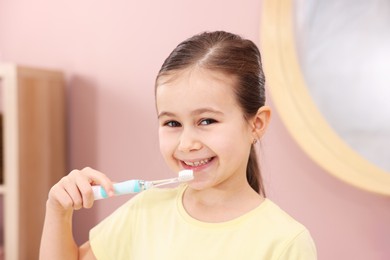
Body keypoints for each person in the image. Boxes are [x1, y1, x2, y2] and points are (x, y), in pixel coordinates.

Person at [39, 31, 317, 259]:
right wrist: (58, 211)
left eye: (207, 121)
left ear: (256, 124)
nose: (187, 143)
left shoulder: (285, 243)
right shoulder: (145, 211)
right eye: (172, 124)